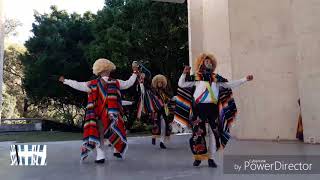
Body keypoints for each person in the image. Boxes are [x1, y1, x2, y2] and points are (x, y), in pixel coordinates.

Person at [176, 53, 253, 168]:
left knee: (214, 133)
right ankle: (199, 157)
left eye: (210, 62)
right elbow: (181, 84)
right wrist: (184, 73)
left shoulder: (216, 78)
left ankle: (211, 158)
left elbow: (229, 85)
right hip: (199, 108)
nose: (209, 63)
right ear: (202, 63)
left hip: (213, 108)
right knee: (198, 133)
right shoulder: (197, 77)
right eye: (206, 61)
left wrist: (244, 79)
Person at [59, 58, 139, 163]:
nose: (106, 72)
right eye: (104, 70)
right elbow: (78, 85)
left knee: (113, 131)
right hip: (103, 114)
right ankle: (103, 154)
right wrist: (65, 81)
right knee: (105, 132)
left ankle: (112, 151)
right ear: (99, 71)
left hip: (108, 114)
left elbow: (129, 83)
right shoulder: (100, 83)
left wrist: (135, 73)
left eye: (108, 70)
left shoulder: (111, 83)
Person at [137, 74, 174, 149]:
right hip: (156, 111)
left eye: (161, 82)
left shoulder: (165, 91)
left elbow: (170, 98)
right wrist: (143, 80)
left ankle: (162, 142)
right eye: (158, 82)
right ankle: (154, 137)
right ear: (156, 83)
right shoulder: (153, 90)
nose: (160, 83)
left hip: (164, 111)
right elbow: (146, 87)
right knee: (156, 125)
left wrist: (168, 101)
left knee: (164, 126)